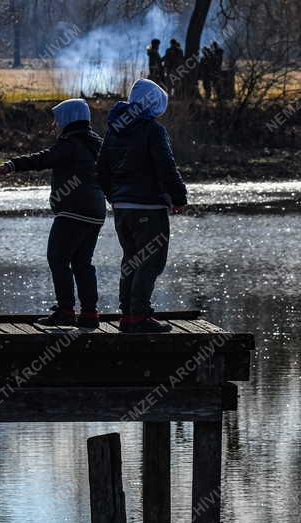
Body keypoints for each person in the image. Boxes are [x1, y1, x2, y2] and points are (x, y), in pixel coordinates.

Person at [0, 99, 107, 328]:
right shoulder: (98, 143)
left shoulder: (70, 143)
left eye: (58, 118)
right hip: (95, 211)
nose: (55, 123)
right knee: (83, 263)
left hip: (73, 212)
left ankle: (65, 311)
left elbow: (43, 159)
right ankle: (89, 314)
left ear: (69, 119)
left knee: (57, 258)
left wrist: (13, 165)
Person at [96, 79, 188, 333]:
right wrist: (179, 198)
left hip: (122, 209)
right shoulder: (153, 130)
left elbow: (101, 168)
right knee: (150, 262)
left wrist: (113, 196)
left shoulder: (115, 128)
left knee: (131, 260)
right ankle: (139, 316)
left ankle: (127, 315)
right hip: (148, 207)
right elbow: (166, 167)